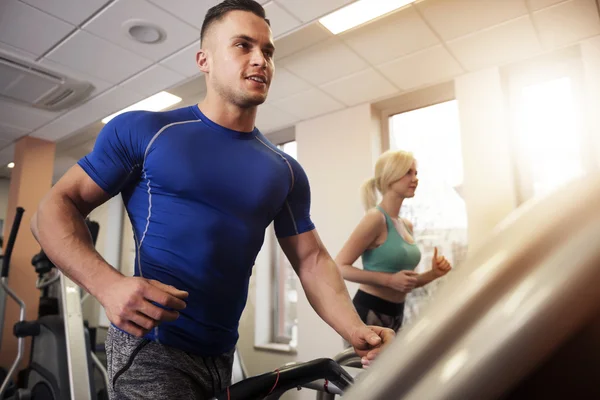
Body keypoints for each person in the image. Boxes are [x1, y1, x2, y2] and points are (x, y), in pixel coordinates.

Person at [30, 1, 394, 399]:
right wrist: (108, 286)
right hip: (151, 346)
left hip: (221, 353)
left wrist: (354, 329)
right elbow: (53, 209)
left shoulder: (284, 171)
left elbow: (312, 260)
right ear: (204, 59)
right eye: (243, 45)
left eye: (268, 50)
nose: (261, 59)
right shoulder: (146, 131)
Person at [336, 150, 452, 333]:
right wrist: (388, 280)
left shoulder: (406, 225)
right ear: (391, 176)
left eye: (416, 173)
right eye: (408, 172)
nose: (415, 178)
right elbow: (340, 267)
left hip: (396, 313)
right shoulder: (375, 218)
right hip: (369, 312)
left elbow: (405, 283)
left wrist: (434, 273)